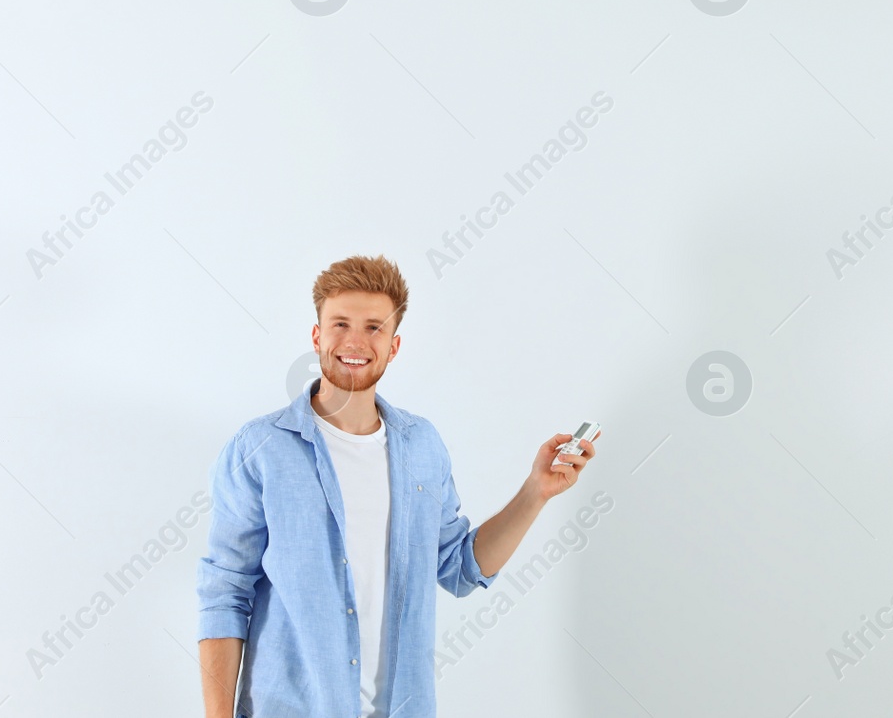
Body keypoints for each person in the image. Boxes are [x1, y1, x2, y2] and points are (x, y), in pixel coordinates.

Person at [196, 254, 599, 718]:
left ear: (394, 345)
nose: (355, 341)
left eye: (373, 327)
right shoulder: (260, 449)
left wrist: (535, 491)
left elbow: (460, 566)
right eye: (340, 324)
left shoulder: (422, 445)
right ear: (316, 335)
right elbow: (225, 592)